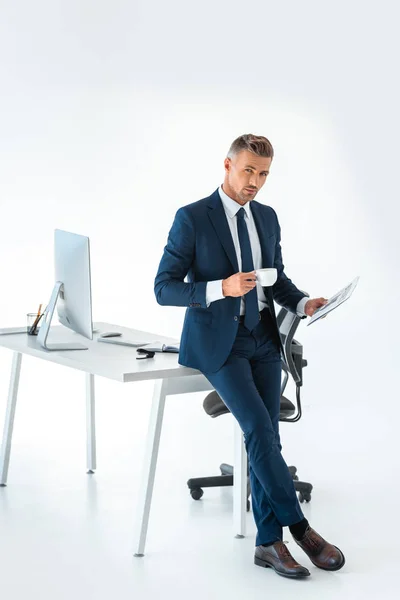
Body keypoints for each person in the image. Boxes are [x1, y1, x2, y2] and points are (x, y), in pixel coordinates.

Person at [154, 134, 345, 579]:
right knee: (259, 427)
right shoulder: (193, 218)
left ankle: (267, 544)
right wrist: (220, 287)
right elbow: (163, 287)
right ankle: (299, 529)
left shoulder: (267, 217)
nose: (255, 182)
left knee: (267, 440)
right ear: (227, 165)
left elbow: (275, 280)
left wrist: (301, 304)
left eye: (263, 174)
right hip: (220, 344)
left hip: (262, 338)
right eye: (248, 171)